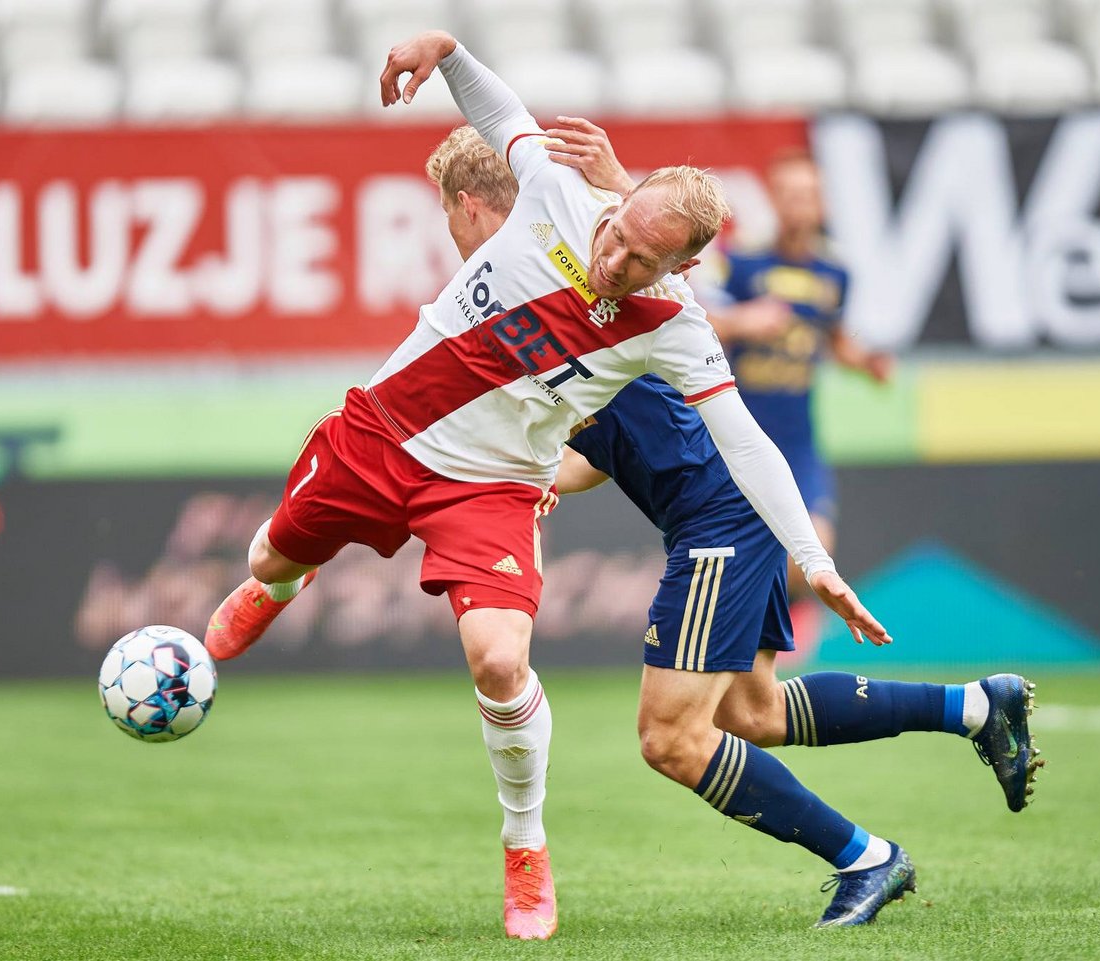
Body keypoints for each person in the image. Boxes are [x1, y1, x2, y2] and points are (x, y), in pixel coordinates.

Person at [202, 31, 888, 940]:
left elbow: (748, 443)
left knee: (498, 659)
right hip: (383, 433)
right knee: (268, 554)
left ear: (681, 270)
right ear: (617, 201)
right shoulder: (560, 192)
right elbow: (501, 112)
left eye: (643, 262)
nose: (615, 262)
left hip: (491, 486)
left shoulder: (675, 326)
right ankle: (277, 587)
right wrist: (446, 50)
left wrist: (814, 558)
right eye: (619, 235)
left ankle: (524, 845)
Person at [445, 119, 1044, 928]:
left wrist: (620, 182)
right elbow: (602, 447)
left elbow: (673, 252)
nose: (453, 242)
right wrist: (540, 478)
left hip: (719, 517)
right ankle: (975, 706)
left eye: (450, 216)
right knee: (753, 714)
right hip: (722, 513)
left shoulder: (591, 284)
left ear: (477, 207)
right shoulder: (555, 304)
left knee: (670, 738)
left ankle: (866, 856)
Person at [701, 151, 894, 598]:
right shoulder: (741, 262)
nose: (799, 204)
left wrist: (867, 363)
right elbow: (695, 321)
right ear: (773, 200)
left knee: (813, 553)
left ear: (822, 203)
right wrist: (742, 321)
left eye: (808, 195)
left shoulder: (834, 273)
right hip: (740, 431)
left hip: (798, 439)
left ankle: (769, 627)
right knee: (733, 552)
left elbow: (836, 340)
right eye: (789, 194)